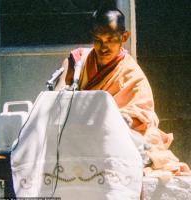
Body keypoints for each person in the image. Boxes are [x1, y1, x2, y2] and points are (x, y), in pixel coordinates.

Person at [55, 6, 191, 177]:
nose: (103, 47)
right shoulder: (78, 61)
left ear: (123, 37)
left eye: (110, 39)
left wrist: (113, 120)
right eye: (98, 40)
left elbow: (142, 116)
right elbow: (56, 98)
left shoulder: (132, 74)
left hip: (112, 135)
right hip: (78, 132)